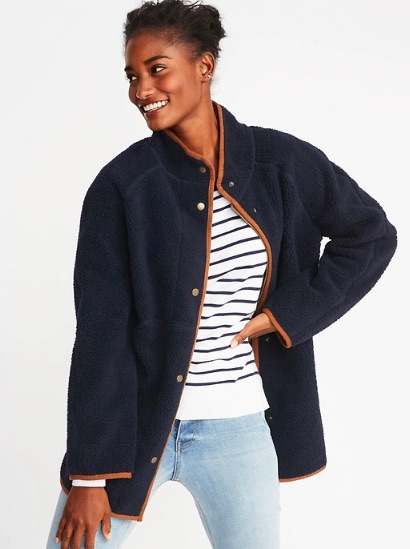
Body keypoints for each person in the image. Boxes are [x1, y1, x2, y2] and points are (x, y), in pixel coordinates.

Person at [45, 0, 397, 548]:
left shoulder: (283, 163)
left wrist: (284, 315)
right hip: (132, 429)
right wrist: (89, 476)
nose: (141, 89)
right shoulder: (123, 186)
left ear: (204, 66)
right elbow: (100, 333)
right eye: (132, 75)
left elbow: (371, 235)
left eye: (157, 69)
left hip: (238, 427)